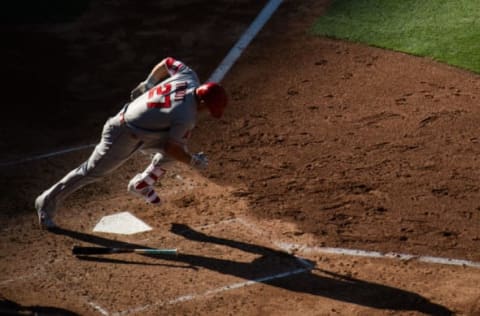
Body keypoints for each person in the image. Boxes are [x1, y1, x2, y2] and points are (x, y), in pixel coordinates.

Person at [34, 57, 228, 229]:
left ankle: (142, 184)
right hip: (122, 133)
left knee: (178, 149)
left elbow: (168, 62)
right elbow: (172, 148)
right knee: (92, 172)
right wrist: (193, 161)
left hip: (143, 131)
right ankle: (46, 201)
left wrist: (148, 83)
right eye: (210, 109)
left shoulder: (189, 77)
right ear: (203, 103)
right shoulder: (186, 116)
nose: (208, 113)